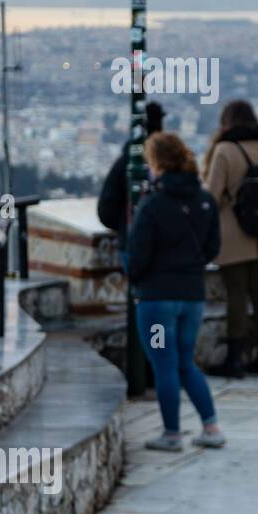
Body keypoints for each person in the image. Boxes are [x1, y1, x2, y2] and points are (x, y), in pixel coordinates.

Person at [127, 131, 224, 452]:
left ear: (157, 163)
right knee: (185, 362)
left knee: (164, 365)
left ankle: (171, 434)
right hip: (192, 297)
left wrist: (135, 275)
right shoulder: (205, 200)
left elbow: (138, 255)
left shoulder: (153, 205)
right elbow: (214, 247)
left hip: (156, 299)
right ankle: (211, 427)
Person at [201, 100, 258, 378]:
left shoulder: (225, 150)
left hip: (233, 232)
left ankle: (234, 359)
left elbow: (212, 195)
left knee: (236, 294)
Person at [98, 101, 165, 275]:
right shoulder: (171, 163)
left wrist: (122, 226)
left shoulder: (125, 161)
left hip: (131, 241)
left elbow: (106, 208)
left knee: (139, 293)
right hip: (168, 244)